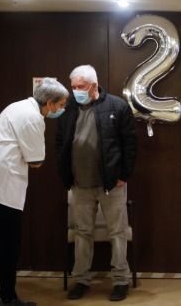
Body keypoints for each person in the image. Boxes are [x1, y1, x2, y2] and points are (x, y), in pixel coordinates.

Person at [0, 78, 69, 306]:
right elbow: (36, 161)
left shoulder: (16, 105)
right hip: (2, 186)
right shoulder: (33, 117)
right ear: (50, 103)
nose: (61, 109)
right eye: (61, 104)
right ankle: (9, 297)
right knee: (8, 244)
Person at [55, 65, 137, 301]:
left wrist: (124, 175)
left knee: (117, 233)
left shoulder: (117, 106)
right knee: (83, 233)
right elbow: (60, 142)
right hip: (80, 184)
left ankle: (120, 280)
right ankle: (81, 280)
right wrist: (65, 175)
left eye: (80, 87)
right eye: (73, 87)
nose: (75, 91)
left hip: (111, 185)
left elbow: (130, 144)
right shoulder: (68, 109)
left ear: (93, 85)